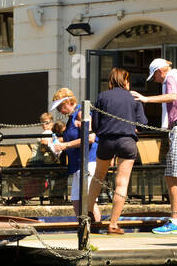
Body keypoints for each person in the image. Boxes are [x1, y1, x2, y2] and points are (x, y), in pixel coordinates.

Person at [132, 58, 177, 234]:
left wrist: (145, 99)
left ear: (160, 71)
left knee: (171, 175)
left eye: (155, 76)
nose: (156, 80)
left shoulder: (170, 78)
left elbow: (171, 97)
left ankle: (175, 221)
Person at [85, 68, 147, 234]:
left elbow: (96, 125)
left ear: (111, 81)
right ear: (126, 81)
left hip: (106, 141)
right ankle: (113, 224)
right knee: (122, 182)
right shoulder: (134, 97)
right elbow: (143, 124)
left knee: (98, 176)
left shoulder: (102, 96)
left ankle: (88, 213)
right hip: (127, 141)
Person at [50, 87, 99, 224]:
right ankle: (82, 228)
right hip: (77, 162)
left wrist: (65, 145)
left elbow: (90, 138)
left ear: (67, 103)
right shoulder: (72, 117)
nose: (59, 111)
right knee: (76, 198)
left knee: (88, 199)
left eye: (59, 107)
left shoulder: (81, 113)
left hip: (88, 160)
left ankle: (94, 228)